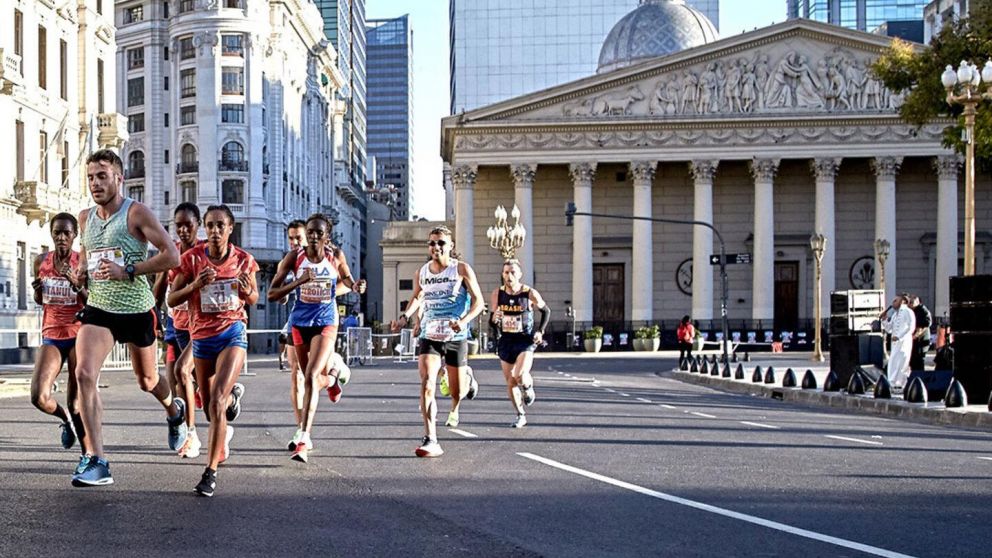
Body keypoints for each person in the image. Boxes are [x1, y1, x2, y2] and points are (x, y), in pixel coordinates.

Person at [70, 149, 182, 487]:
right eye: (91, 177)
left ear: (119, 178)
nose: (95, 183)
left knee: (147, 381)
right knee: (84, 374)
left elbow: (172, 256)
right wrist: (81, 271)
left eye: (102, 176)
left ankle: (174, 412)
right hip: (100, 309)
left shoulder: (136, 213)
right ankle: (97, 460)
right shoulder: (85, 218)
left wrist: (128, 270)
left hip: (136, 309)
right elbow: (87, 253)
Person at [168, 204, 259, 497]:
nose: (215, 230)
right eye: (210, 225)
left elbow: (254, 297)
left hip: (232, 332)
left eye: (221, 225)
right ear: (205, 228)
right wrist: (195, 285)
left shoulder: (244, 260)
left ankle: (210, 472)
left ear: (231, 228)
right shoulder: (191, 259)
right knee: (210, 408)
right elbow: (171, 299)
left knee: (217, 401)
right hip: (202, 338)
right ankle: (233, 398)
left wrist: (246, 291)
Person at [267, 213, 362, 463]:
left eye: (319, 232)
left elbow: (347, 279)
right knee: (307, 376)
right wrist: (298, 282)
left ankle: (303, 438)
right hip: (299, 323)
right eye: (310, 232)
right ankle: (333, 379)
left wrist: (355, 286)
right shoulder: (293, 258)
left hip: (326, 321)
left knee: (308, 375)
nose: (313, 236)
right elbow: (272, 294)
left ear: (327, 236)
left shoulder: (335, 255)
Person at [392, 225, 485, 458]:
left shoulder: (461, 269)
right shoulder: (422, 272)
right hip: (430, 335)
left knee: (457, 391)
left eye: (441, 242)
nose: (436, 247)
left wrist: (463, 321)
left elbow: (479, 302)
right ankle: (431, 438)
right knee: (427, 383)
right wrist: (405, 318)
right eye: (432, 243)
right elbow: (417, 297)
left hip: (455, 336)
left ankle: (466, 379)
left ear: (450, 246)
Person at [30, 213, 88, 460]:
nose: (62, 237)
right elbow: (40, 300)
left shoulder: (82, 262)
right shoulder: (40, 261)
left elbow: (93, 301)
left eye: (67, 233)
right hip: (52, 333)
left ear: (74, 235)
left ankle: (88, 456)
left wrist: (75, 283)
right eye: (57, 233)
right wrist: (37, 292)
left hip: (77, 333)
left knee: (76, 403)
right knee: (39, 397)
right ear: (51, 234)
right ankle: (64, 420)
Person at [152, 202, 205, 458]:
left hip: (199, 327)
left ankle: (195, 431)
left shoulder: (205, 253)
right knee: (175, 384)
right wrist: (155, 319)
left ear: (198, 225)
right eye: (178, 225)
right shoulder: (170, 252)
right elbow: (158, 292)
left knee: (192, 378)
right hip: (175, 325)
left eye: (188, 225)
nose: (183, 230)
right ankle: (188, 433)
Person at [490, 259, 549, 428]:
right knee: (511, 381)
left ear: (520, 274)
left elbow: (546, 311)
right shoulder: (497, 293)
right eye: (506, 272)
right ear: (503, 274)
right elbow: (492, 321)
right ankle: (520, 414)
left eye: (513, 272)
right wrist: (495, 319)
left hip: (525, 340)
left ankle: (528, 386)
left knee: (520, 375)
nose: (509, 276)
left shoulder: (529, 293)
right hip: (506, 340)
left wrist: (540, 331)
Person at [879, 294, 915, 390]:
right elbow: (889, 329)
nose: (893, 302)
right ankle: (892, 383)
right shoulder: (895, 314)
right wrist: (884, 320)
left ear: (903, 301)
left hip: (904, 343)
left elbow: (911, 327)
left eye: (896, 300)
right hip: (895, 344)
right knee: (893, 363)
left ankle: (900, 384)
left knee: (902, 363)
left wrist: (899, 336)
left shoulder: (908, 312)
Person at [909, 295, 932, 372]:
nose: (910, 304)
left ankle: (920, 375)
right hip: (915, 340)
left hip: (921, 340)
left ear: (917, 302)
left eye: (912, 302)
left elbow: (926, 324)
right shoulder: (912, 311)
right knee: (913, 360)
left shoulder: (922, 310)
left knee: (919, 360)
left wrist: (915, 336)